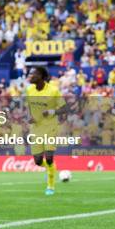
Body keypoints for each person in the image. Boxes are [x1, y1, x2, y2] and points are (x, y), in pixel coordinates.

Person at [26, 67, 67, 195]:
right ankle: (50, 169)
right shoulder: (29, 90)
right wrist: (31, 117)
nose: (30, 75)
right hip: (36, 129)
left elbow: (65, 108)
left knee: (49, 157)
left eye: (33, 73)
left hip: (50, 127)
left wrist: (52, 111)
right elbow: (30, 106)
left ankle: (50, 186)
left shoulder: (53, 91)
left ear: (41, 76)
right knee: (38, 161)